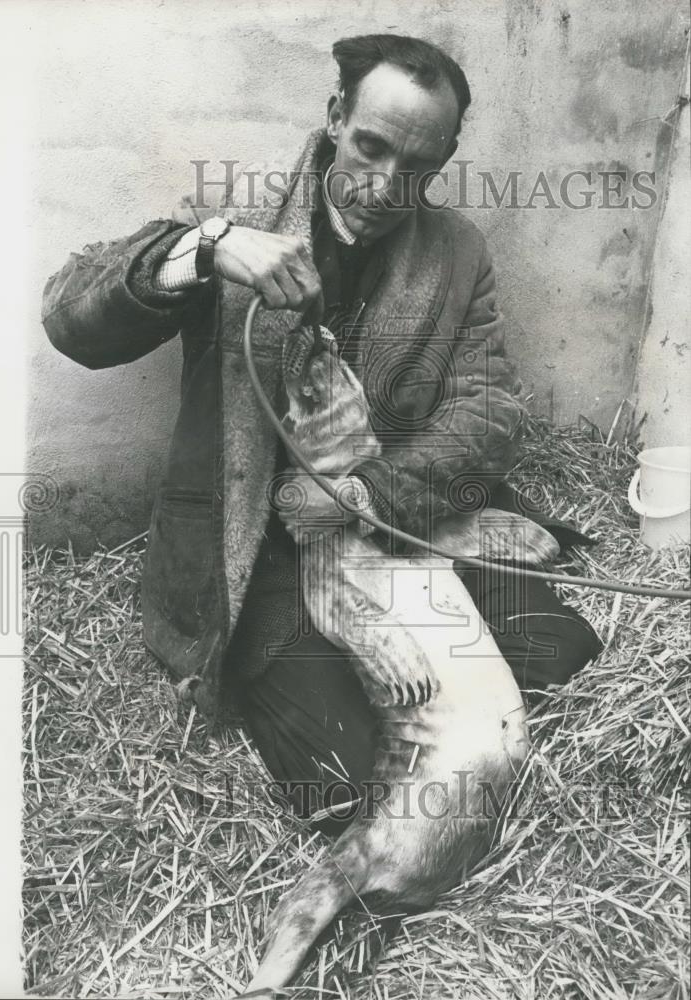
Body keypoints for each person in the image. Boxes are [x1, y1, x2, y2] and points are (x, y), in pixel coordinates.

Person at [42, 34, 603, 833]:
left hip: (394, 516)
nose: (384, 187)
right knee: (341, 781)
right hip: (264, 546)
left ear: (443, 162)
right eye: (371, 148)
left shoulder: (458, 252)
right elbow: (69, 318)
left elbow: (488, 413)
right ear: (337, 116)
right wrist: (200, 250)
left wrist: (362, 492)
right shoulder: (235, 219)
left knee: (561, 657)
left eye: (417, 170)